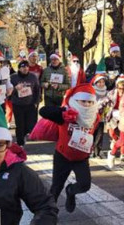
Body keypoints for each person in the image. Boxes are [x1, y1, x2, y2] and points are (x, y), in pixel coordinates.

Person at [40, 84, 101, 213]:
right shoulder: (66, 113)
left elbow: (94, 133)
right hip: (63, 155)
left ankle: (70, 191)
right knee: (56, 188)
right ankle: (49, 213)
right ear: (75, 100)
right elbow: (43, 111)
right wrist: (62, 112)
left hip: (81, 158)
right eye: (83, 101)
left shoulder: (95, 117)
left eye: (90, 102)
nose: (86, 104)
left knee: (85, 185)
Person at [9, 59, 41, 147]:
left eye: (27, 67)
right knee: (19, 124)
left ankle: (25, 135)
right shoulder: (13, 77)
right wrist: (15, 89)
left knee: (29, 123)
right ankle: (20, 142)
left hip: (30, 103)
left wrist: (36, 102)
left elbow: (37, 90)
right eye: (23, 67)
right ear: (19, 69)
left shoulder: (33, 77)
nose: (25, 69)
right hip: (18, 104)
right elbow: (8, 91)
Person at [106, 76, 124, 168]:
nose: (122, 91)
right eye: (119, 88)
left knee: (123, 138)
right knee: (112, 134)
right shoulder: (111, 94)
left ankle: (119, 153)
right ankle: (115, 141)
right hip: (113, 116)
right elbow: (106, 106)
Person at [91, 74, 112, 158]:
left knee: (100, 135)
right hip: (92, 117)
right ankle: (91, 150)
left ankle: (98, 151)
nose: (101, 84)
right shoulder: (92, 91)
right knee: (92, 134)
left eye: (103, 82)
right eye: (99, 82)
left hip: (101, 117)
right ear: (95, 83)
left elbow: (109, 104)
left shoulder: (106, 92)